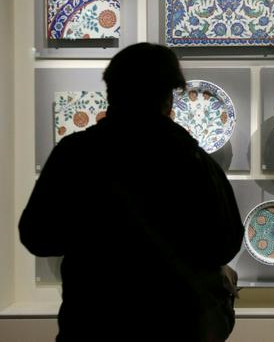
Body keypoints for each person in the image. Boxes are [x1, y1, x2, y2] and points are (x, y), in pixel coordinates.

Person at [19, 43, 244, 342]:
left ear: (111, 91)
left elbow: (37, 236)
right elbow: (226, 244)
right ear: (169, 98)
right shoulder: (193, 160)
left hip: (94, 323)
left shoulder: (74, 154)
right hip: (176, 325)